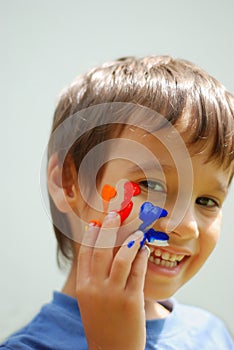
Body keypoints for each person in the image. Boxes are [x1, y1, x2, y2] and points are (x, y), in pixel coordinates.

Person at [1, 56, 233, 349]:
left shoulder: (212, 335)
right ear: (68, 183)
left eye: (207, 200)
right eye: (151, 185)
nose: (187, 226)